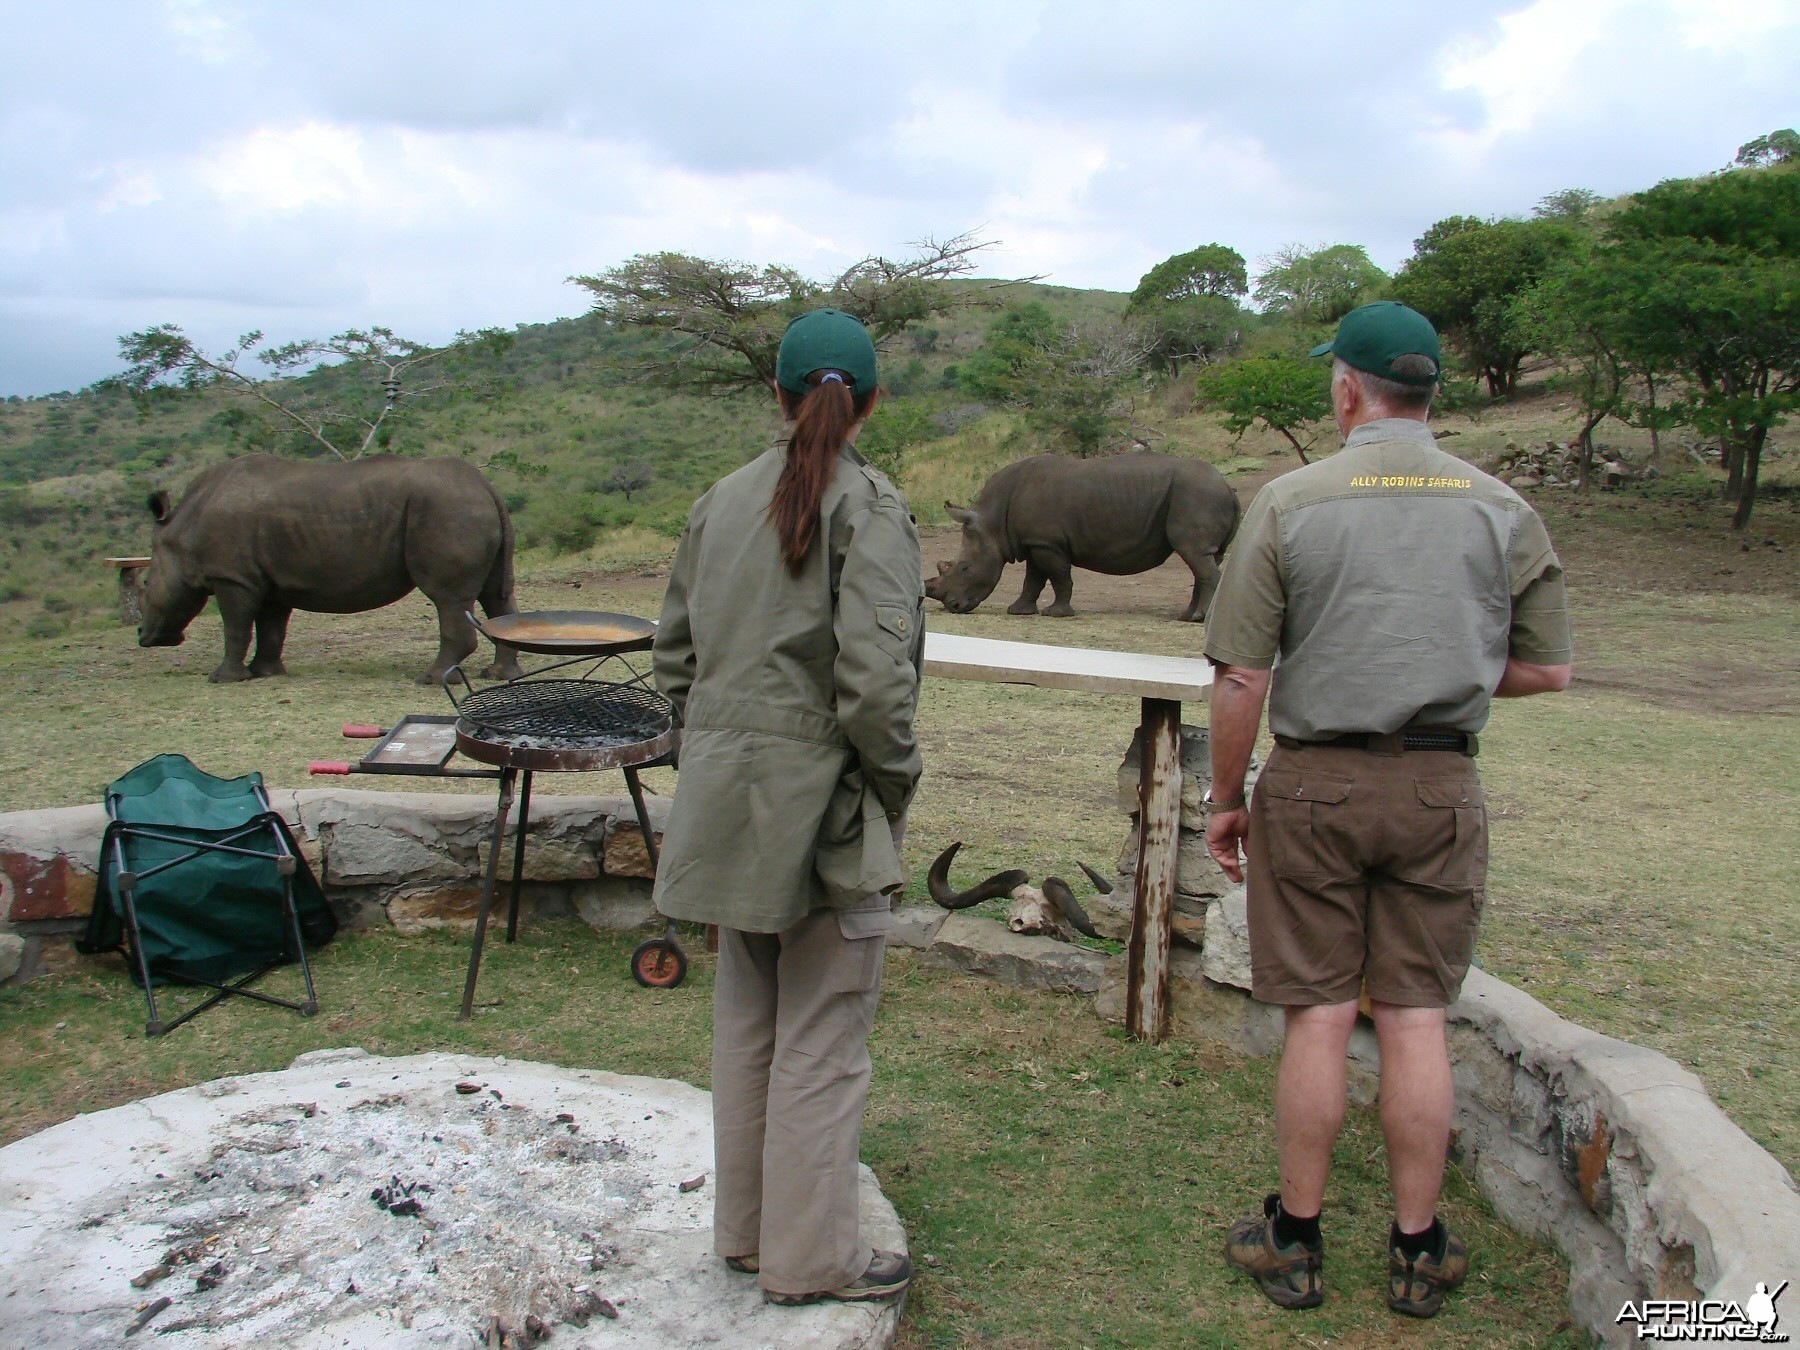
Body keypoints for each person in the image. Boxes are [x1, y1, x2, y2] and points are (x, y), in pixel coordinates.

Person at [1202, 301, 1572, 1319]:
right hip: (1438, 787)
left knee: (1318, 1013)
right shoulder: (1501, 508)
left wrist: (1225, 801)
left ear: (1348, 388)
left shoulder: (1290, 501)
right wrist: (1443, 668)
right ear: (1429, 392)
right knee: (1415, 1016)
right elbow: (1548, 667)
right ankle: (1417, 1249)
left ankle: (1297, 1240)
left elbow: (1241, 679)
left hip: (1313, 784)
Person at [650, 307, 925, 1306]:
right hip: (832, 809)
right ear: (871, 403)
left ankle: (749, 1234)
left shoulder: (719, 500)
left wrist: (721, 761)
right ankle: (812, 1263)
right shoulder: (874, 506)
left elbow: (674, 660)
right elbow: (877, 692)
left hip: (727, 799)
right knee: (824, 1033)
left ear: (775, 394)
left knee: (749, 1020)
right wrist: (887, 790)